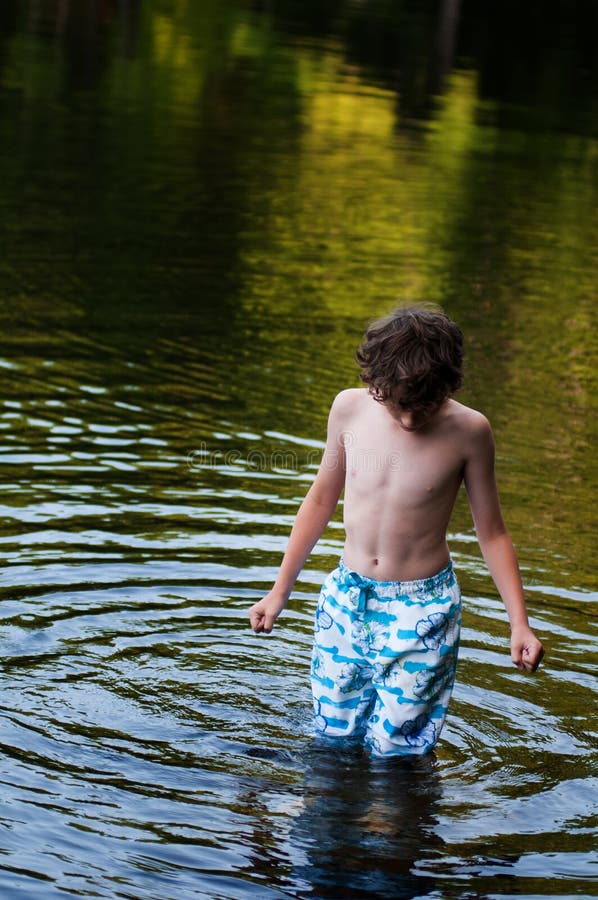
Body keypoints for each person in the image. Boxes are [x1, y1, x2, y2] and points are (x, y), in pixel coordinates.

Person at [248, 305, 544, 756]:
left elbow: (492, 532)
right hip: (346, 600)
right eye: (399, 404)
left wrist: (519, 623)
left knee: (398, 751)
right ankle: (330, 820)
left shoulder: (470, 431)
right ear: (375, 382)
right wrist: (279, 590)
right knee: (333, 737)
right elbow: (321, 499)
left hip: (423, 611)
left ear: (448, 386)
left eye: (424, 407)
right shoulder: (349, 409)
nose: (409, 420)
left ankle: (396, 823)